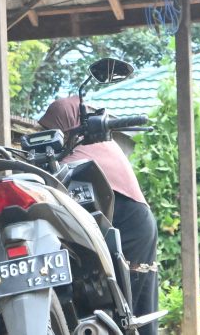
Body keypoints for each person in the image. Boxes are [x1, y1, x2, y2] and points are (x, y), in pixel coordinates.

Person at [39, 96, 159, 335]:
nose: (47, 138)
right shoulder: (79, 149)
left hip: (129, 227)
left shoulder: (84, 151)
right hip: (115, 225)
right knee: (122, 308)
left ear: (67, 125)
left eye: (51, 130)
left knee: (128, 311)